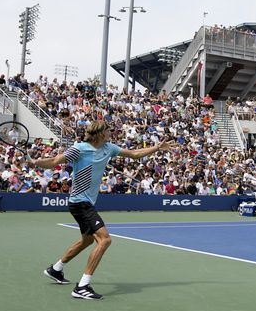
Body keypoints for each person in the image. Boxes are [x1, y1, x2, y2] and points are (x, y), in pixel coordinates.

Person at [31, 120, 174, 300]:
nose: (111, 133)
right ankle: (82, 286)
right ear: (99, 133)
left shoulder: (109, 148)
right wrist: (36, 161)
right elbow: (54, 161)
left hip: (87, 202)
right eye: (108, 130)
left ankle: (56, 269)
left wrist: (156, 148)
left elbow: (134, 154)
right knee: (105, 240)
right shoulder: (79, 148)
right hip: (79, 202)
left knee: (87, 240)